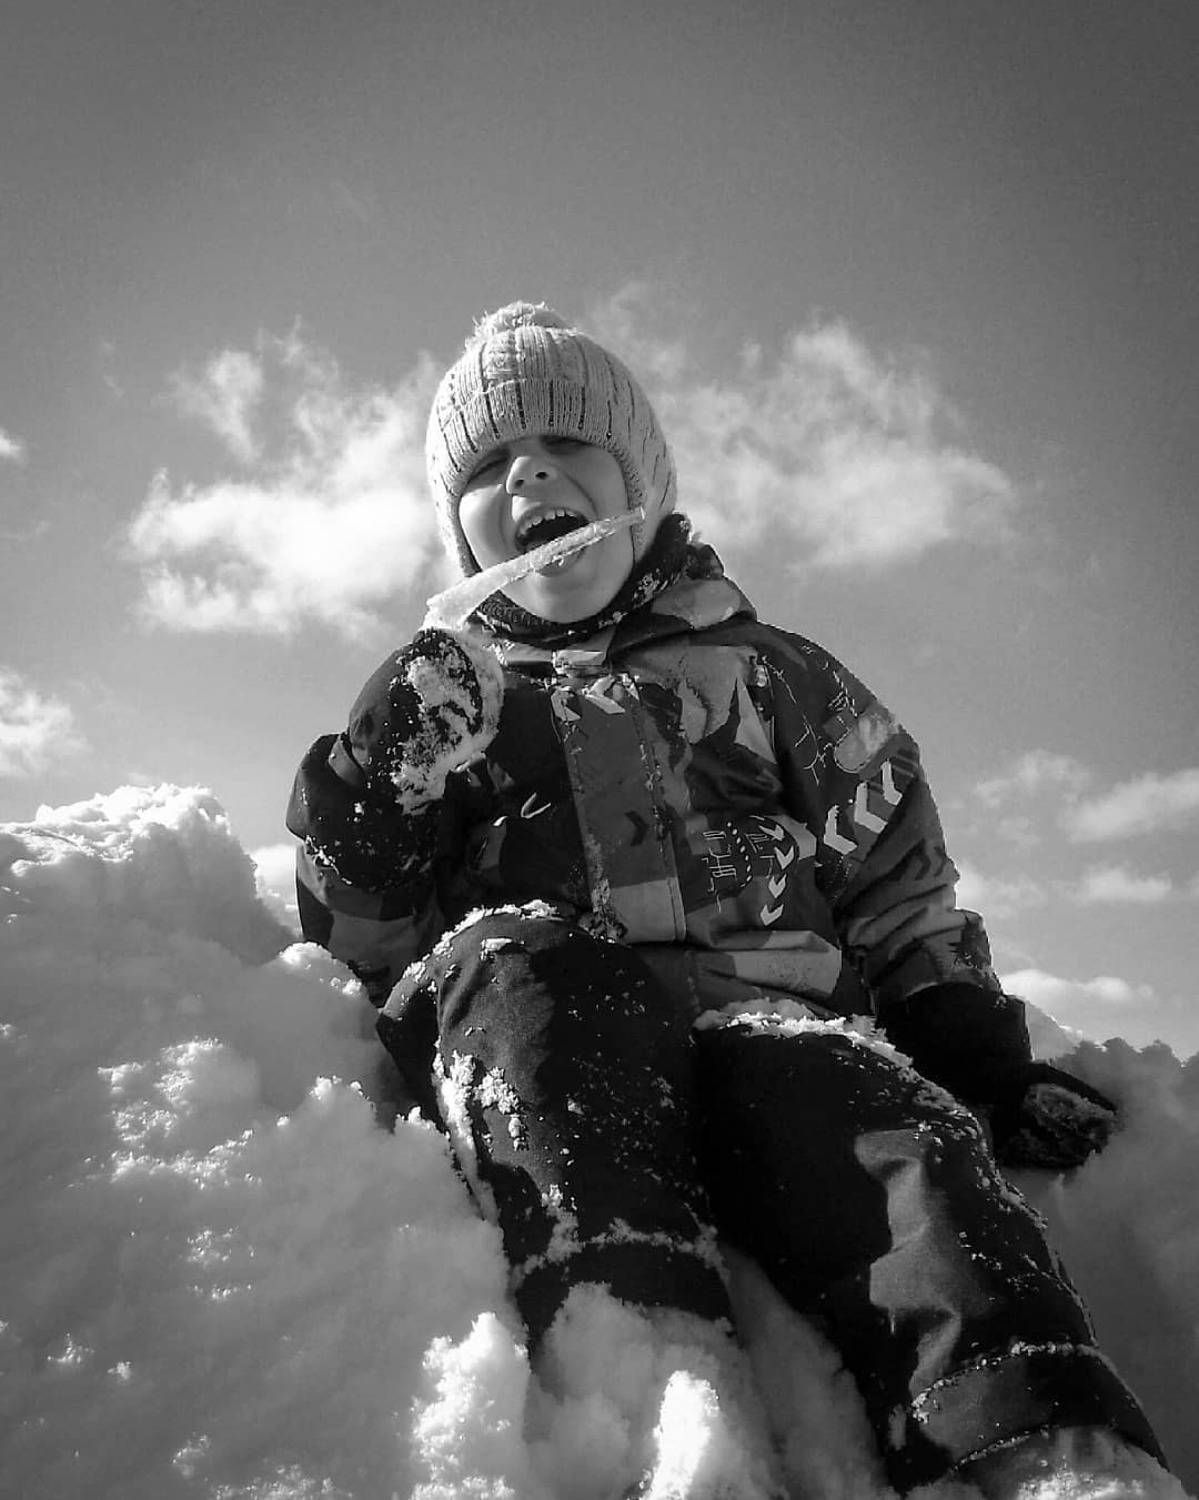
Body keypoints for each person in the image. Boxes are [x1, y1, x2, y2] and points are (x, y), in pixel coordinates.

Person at [287, 302, 1172, 1497]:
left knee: (891, 1150)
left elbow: (893, 874)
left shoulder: (773, 675)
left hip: (776, 1034)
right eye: (488, 466)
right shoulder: (455, 714)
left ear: (639, 485)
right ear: (459, 532)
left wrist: (967, 1037)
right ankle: (649, 1389)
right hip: (562, 1049)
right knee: (521, 981)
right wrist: (372, 794)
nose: (528, 473)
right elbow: (367, 947)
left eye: (566, 443)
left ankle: (1042, 1446)